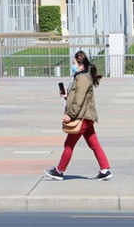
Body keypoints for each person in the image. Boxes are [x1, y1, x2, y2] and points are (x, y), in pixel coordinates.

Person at [44, 50, 112, 181]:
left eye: (74, 63)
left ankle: (59, 171)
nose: (72, 66)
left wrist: (70, 115)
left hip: (83, 117)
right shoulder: (80, 77)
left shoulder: (82, 79)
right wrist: (67, 96)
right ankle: (105, 170)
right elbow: (76, 97)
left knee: (69, 144)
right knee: (94, 144)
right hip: (86, 116)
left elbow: (79, 100)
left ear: (81, 65)